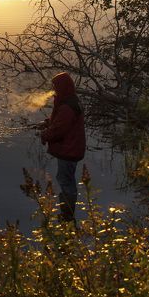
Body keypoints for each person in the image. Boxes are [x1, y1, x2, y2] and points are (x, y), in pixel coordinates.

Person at [39, 72, 86, 222]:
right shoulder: (70, 101)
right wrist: (48, 122)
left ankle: (67, 215)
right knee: (67, 179)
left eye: (56, 86)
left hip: (69, 150)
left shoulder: (67, 106)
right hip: (73, 148)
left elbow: (59, 130)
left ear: (62, 87)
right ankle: (68, 214)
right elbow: (60, 122)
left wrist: (44, 134)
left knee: (65, 181)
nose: (54, 89)